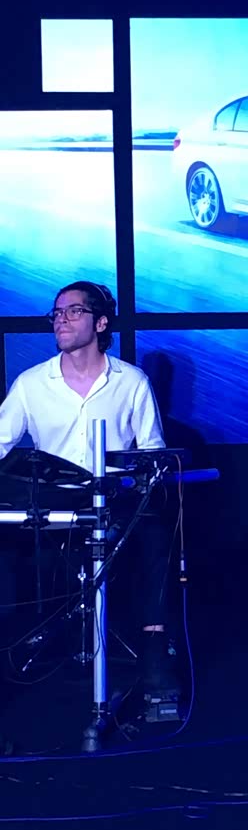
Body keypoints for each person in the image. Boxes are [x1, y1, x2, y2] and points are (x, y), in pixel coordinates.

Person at [0, 281, 178, 697]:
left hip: (114, 497)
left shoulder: (131, 382)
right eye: (57, 313)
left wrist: (136, 478)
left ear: (100, 323)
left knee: (155, 527)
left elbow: (152, 453)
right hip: (53, 499)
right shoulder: (31, 383)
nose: (60, 320)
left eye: (73, 311)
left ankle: (154, 650)